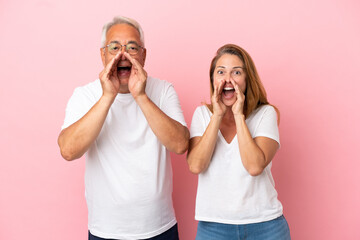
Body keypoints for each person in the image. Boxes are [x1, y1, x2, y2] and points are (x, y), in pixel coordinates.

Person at [58, 16, 189, 240]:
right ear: (103, 54)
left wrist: (141, 96)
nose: (122, 54)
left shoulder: (163, 90)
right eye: (114, 47)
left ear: (144, 55)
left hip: (160, 228)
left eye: (132, 47)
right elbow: (69, 150)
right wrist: (108, 96)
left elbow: (180, 145)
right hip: (105, 231)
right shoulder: (85, 95)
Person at [187, 44, 291, 240]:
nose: (228, 79)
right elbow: (195, 165)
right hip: (213, 228)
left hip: (265, 227)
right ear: (213, 79)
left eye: (236, 72)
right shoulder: (202, 115)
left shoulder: (265, 114)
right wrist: (217, 115)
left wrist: (238, 115)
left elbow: (254, 166)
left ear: (246, 79)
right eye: (221, 72)